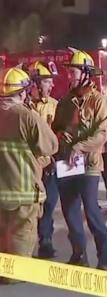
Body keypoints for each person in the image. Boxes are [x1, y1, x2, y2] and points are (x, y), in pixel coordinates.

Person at [52, 49, 107, 271]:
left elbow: (101, 135)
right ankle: (79, 254)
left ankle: (106, 258)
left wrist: (78, 146)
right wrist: (59, 137)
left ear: (87, 73)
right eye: (69, 71)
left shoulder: (99, 102)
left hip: (89, 163)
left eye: (74, 71)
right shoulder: (65, 102)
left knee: (91, 210)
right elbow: (56, 128)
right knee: (70, 211)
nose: (70, 75)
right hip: (67, 162)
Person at [0, 67, 59, 283]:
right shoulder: (25, 116)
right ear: (23, 92)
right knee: (19, 242)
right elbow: (51, 145)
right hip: (22, 194)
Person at [27, 61, 61, 259]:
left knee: (48, 206)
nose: (49, 86)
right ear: (34, 84)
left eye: (49, 82)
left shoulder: (56, 106)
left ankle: (46, 241)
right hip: (29, 167)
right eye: (45, 82)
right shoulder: (24, 108)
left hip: (49, 166)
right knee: (30, 207)